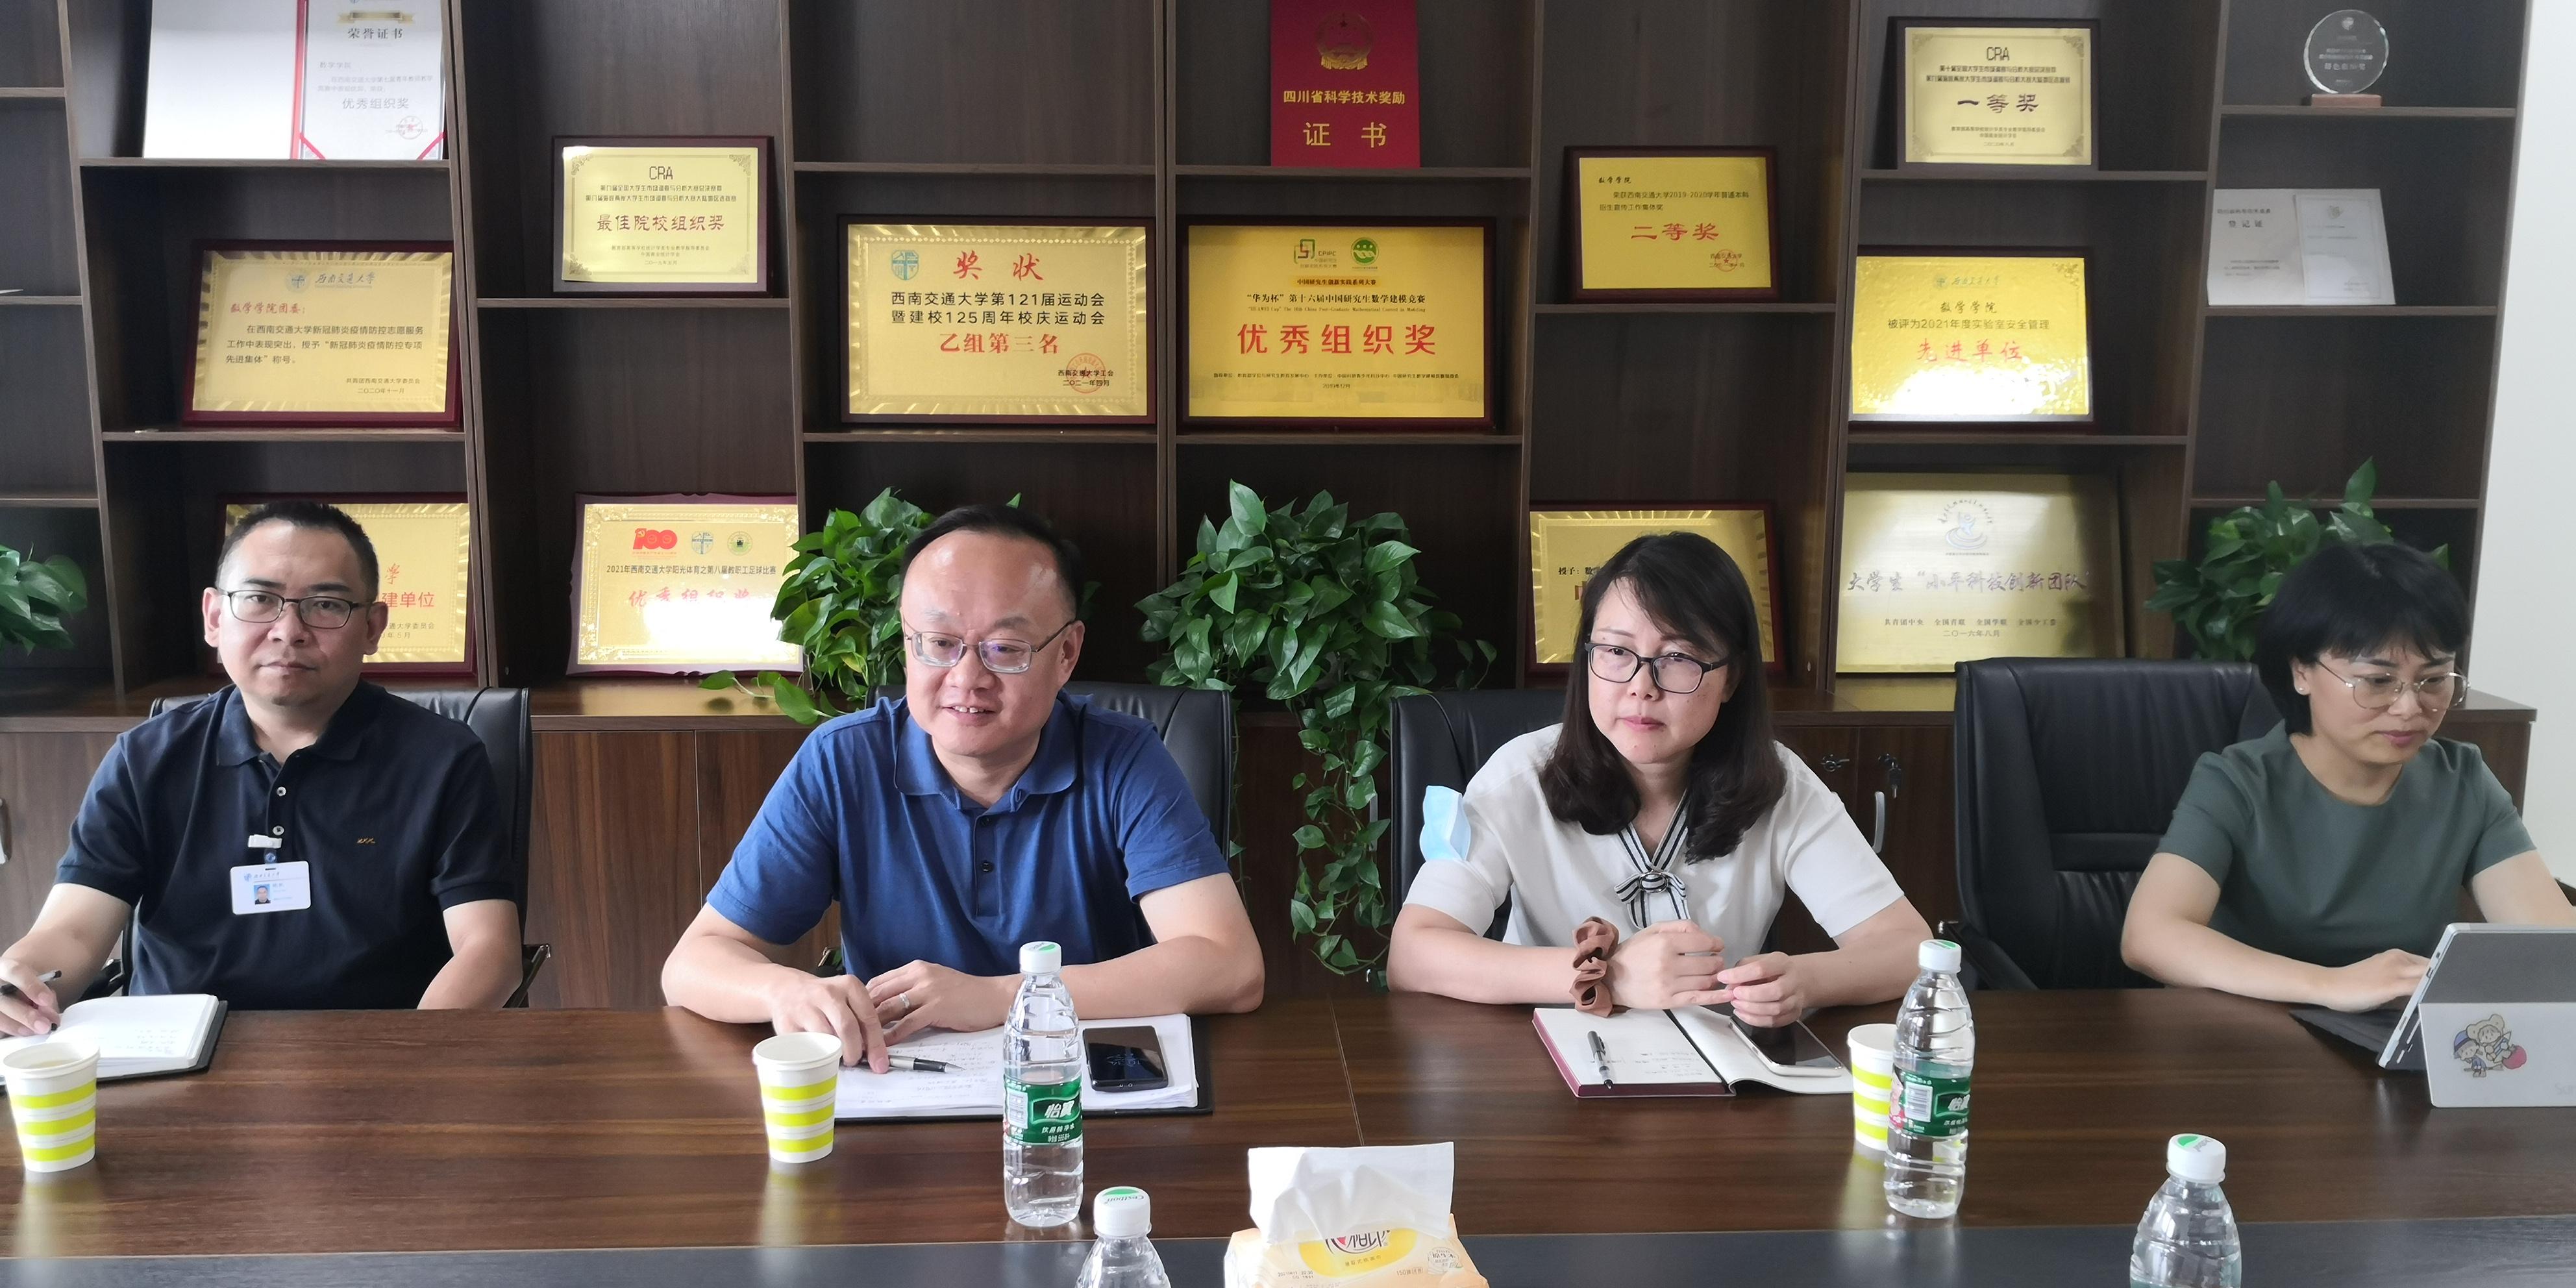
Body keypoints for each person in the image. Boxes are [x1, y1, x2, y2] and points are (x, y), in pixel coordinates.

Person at [662, 504, 1263, 1070]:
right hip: (898, 1086)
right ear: (907, 642)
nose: (967, 678)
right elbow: (692, 964)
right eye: (940, 643)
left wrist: (1002, 996)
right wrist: (784, 989)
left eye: (1005, 648)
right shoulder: (843, 761)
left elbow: (1230, 966)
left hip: (1073, 1093)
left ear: (1066, 653)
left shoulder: (1124, 758)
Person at [0, 502, 523, 1034]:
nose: (288, 630)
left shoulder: (442, 759)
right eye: (259, 599)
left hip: (375, 1050)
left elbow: (488, 949)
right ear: (214, 617)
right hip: (174, 1056)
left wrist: (409, 1057)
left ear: (372, 628)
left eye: (326, 605)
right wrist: (19, 980)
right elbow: (72, 932)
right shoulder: (145, 760)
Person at [1388, 533, 1933, 1024]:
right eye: (1616, 651)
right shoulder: (1519, 777)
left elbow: (1908, 948)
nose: (1641, 686)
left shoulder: (1779, 784)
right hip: (1549, 1061)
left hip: (1720, 1071)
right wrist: (1609, 977)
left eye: (1677, 657)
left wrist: (1805, 980)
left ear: (1731, 678)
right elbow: (1415, 953)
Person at [2124, 541, 2574, 1009]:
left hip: (2391, 1041)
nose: (2409, 708)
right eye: (2378, 681)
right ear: (2302, 671)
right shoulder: (2237, 784)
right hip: (2248, 1035)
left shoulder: (2462, 782)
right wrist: (2330, 985)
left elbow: (2554, 947)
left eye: (2434, 680)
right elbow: (2150, 935)